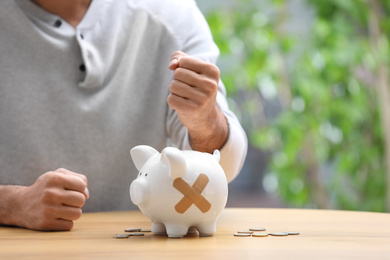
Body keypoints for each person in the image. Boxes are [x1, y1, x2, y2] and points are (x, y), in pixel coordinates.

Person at [0, 0, 247, 231]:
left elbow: (224, 167)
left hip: (142, 242)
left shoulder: (171, 12)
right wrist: (11, 204)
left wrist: (205, 120)